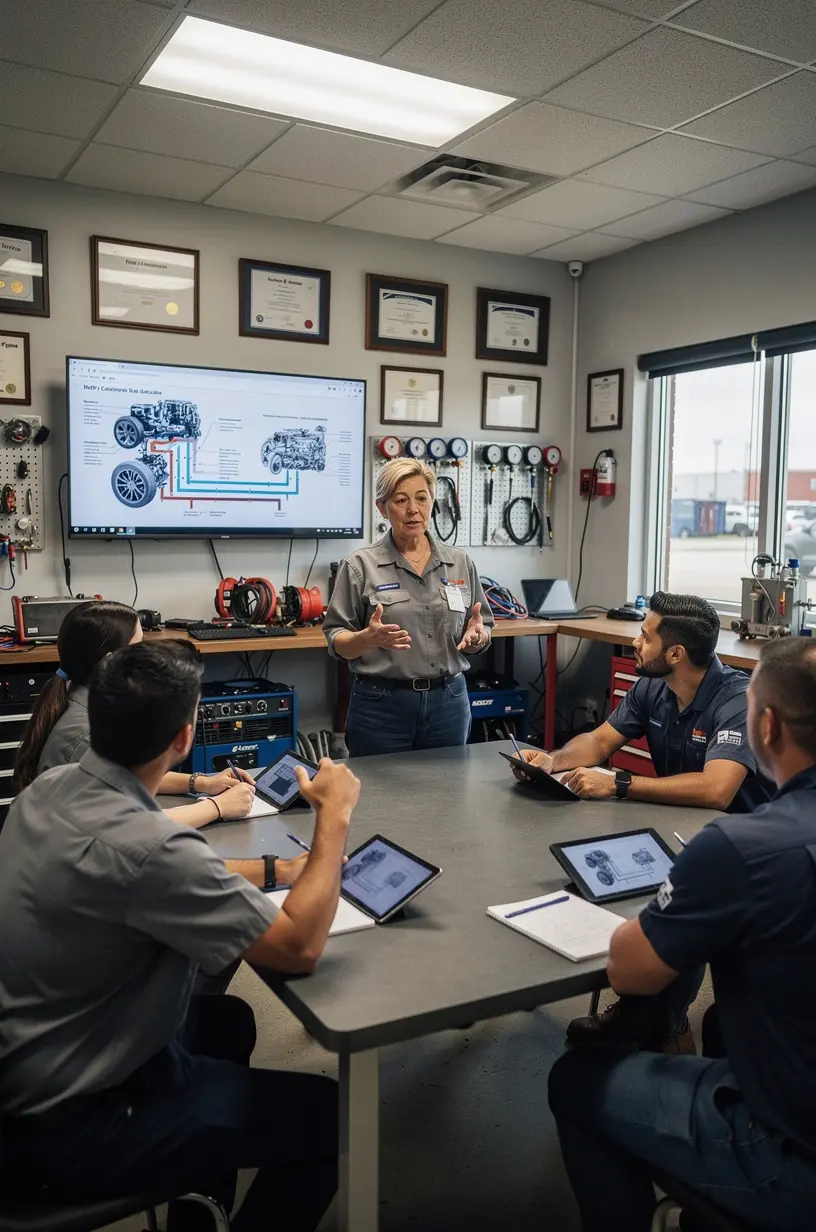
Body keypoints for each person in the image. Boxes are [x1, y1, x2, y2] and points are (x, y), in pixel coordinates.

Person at [0, 639, 361, 1232]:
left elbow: (147, 872)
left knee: (229, 1023)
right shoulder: (153, 850)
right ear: (184, 737)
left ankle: (198, 1213)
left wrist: (276, 868)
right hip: (71, 1128)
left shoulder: (52, 787)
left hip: (28, 1066)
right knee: (334, 1116)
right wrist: (334, 817)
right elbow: (298, 948)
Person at [548, 636, 816, 1232]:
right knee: (719, 1022)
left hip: (795, 1160)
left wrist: (684, 895)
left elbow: (630, 970)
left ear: (766, 728)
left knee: (576, 1079)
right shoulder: (652, 692)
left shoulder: (738, 848)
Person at [515, 591, 774, 1053]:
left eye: (645, 635)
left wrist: (619, 784)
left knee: (683, 922)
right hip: (676, 835)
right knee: (591, 879)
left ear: (675, 653)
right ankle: (639, 1009)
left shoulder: (735, 699)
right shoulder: (653, 685)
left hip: (741, 854)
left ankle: (661, 1027)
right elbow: (597, 742)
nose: (635, 642)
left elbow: (718, 789)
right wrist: (551, 761)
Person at [14, 599, 257, 826]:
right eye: (139, 647)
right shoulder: (85, 735)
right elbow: (127, 828)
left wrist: (202, 782)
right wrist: (217, 807)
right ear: (112, 661)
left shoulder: (82, 696)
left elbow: (129, 773)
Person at [324, 457, 494, 756]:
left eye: (421, 498)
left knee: (449, 796)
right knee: (379, 799)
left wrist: (479, 638)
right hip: (382, 707)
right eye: (401, 500)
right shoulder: (361, 566)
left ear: (432, 502)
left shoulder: (460, 562)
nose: (413, 509)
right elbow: (337, 641)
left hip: (449, 704)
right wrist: (366, 639)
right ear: (382, 508)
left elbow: (482, 627)